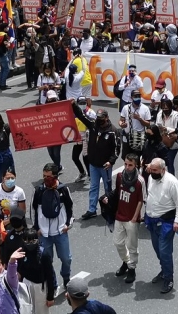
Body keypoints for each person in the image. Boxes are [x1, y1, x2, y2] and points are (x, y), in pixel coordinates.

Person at [31, 162, 74, 298]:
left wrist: (68, 225)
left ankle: (66, 279)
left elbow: (70, 208)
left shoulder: (63, 190)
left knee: (66, 259)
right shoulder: (38, 191)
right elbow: (33, 210)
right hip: (44, 235)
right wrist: (37, 228)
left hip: (61, 232)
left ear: (55, 176)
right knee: (47, 261)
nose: (46, 179)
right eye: (44, 176)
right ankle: (53, 284)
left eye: (48, 176)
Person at [143, 157, 178, 294]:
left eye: (155, 170)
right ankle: (164, 270)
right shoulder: (151, 177)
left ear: (163, 169)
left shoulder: (172, 183)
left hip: (166, 223)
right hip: (152, 221)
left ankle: (168, 278)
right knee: (157, 249)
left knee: (165, 251)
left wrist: (177, 221)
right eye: (151, 169)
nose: (152, 172)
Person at [104, 152, 144, 285]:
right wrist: (108, 197)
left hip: (131, 218)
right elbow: (117, 192)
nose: (127, 167)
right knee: (118, 242)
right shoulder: (120, 176)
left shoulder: (140, 181)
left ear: (136, 165)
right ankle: (127, 261)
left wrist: (135, 217)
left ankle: (132, 268)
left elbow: (140, 200)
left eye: (130, 165)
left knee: (132, 245)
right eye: (125, 164)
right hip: (119, 215)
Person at [78, 109, 119, 220]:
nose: (99, 120)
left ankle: (109, 208)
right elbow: (81, 116)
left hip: (105, 166)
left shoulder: (113, 131)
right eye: (98, 118)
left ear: (107, 118)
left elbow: (117, 150)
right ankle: (92, 210)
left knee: (107, 188)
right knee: (93, 187)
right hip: (93, 164)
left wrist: (111, 161)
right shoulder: (93, 125)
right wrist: (73, 105)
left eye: (101, 118)